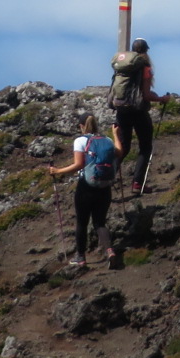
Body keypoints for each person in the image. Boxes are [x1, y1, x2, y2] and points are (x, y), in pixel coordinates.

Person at [47, 111, 122, 269]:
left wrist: (57, 171)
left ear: (82, 126)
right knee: (100, 222)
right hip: (105, 186)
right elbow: (120, 153)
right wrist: (115, 135)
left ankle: (80, 257)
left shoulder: (80, 140)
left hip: (86, 187)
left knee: (82, 222)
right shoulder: (107, 140)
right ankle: (110, 252)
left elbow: (79, 165)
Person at [109, 38, 169, 196]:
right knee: (145, 147)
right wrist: (162, 99)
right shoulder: (145, 67)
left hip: (121, 110)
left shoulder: (123, 67)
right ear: (146, 51)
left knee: (123, 147)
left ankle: (106, 178)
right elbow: (146, 95)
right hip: (138, 111)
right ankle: (137, 184)